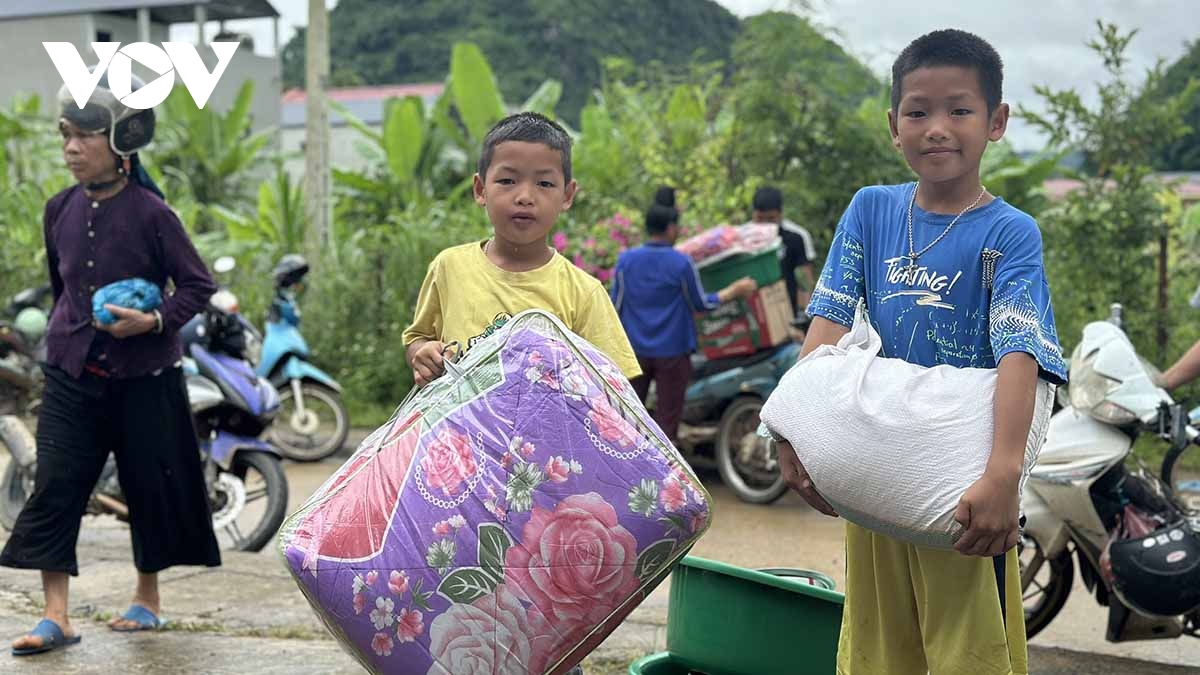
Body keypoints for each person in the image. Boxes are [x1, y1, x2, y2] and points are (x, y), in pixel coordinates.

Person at [776, 30, 1068, 675]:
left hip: (959, 487)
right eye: (917, 111)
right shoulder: (871, 211)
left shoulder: (1009, 231)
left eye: (959, 110)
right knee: (878, 649)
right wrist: (789, 426)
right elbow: (826, 323)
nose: (937, 128)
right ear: (893, 124)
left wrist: (1003, 475)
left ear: (996, 122)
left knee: (968, 653)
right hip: (876, 469)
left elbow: (1020, 351)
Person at [3, 72, 221, 656]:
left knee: (150, 485)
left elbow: (198, 285)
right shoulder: (58, 211)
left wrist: (151, 322)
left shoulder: (153, 214)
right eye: (65, 136)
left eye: (84, 137)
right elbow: (62, 291)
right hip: (73, 373)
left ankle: (147, 600)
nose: (71, 149)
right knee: (55, 484)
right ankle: (56, 616)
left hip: (145, 375)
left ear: (120, 143)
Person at [404, 111, 641, 387]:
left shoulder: (583, 292)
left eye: (544, 184)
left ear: (566, 195)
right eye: (507, 181)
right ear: (481, 189)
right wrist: (423, 355)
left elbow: (615, 387)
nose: (525, 197)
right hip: (457, 429)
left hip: (549, 431)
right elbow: (417, 340)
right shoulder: (449, 267)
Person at [610, 204, 756, 443]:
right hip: (673, 353)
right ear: (670, 228)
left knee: (627, 418)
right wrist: (732, 291)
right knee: (668, 423)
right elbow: (700, 304)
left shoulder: (626, 261)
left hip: (633, 351)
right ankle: (664, 475)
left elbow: (614, 305)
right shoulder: (681, 263)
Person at [750, 186, 817, 318]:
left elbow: (805, 279)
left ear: (780, 214)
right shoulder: (744, 239)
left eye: (770, 219)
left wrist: (806, 314)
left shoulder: (796, 237)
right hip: (756, 311)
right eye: (760, 219)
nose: (765, 225)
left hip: (788, 311)